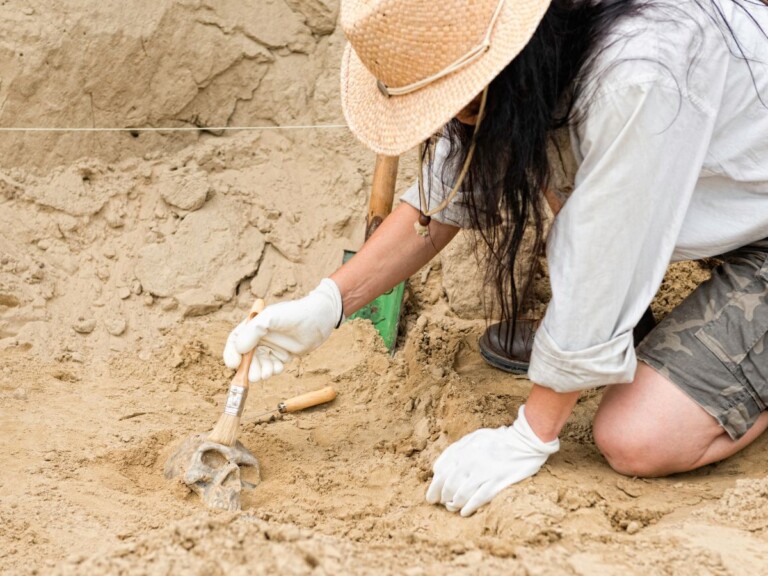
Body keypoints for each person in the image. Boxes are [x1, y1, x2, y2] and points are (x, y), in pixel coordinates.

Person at [224, 0, 768, 517]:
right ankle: (603, 347)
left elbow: (605, 253)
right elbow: (450, 191)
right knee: (552, 162)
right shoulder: (536, 46)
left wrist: (530, 434)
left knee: (638, 438)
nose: (448, 120)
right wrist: (327, 305)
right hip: (729, 205)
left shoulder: (636, 74)